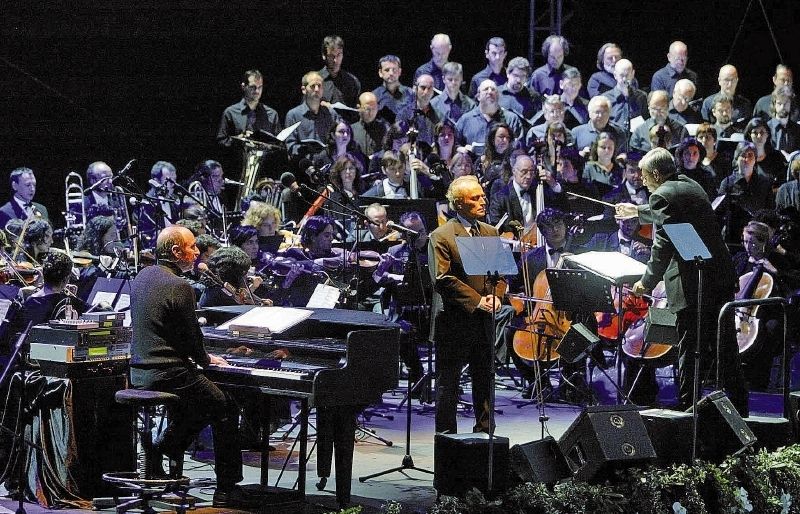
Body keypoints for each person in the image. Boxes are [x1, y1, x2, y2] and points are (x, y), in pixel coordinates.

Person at [617, 147, 748, 415]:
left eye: (643, 175)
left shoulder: (662, 196)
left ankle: (687, 409)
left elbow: (662, 245)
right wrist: (637, 211)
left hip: (694, 283)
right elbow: (672, 209)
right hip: (718, 277)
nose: (640, 180)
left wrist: (646, 282)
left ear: (654, 173)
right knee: (724, 347)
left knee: (690, 347)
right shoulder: (688, 184)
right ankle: (739, 407)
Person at [129, 226, 252, 508]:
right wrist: (209, 360)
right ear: (176, 252)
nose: (197, 252)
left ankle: (165, 446)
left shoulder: (142, 276)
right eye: (192, 247)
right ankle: (227, 488)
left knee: (200, 403)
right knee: (225, 406)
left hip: (140, 371)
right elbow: (191, 339)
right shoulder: (179, 286)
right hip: (170, 372)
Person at [428, 175, 508, 434]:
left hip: (483, 322)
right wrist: (478, 301)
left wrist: (496, 295)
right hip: (454, 322)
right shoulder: (441, 235)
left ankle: (485, 438)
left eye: (482, 195)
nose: (483, 201)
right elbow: (442, 278)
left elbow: (501, 273)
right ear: (459, 204)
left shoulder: (490, 231)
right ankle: (446, 440)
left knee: (485, 382)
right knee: (448, 385)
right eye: (475, 198)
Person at [216, 69, 282, 148]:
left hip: (264, 159)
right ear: (243, 87)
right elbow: (221, 142)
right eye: (252, 87)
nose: (257, 91)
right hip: (238, 159)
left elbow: (279, 145)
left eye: (260, 87)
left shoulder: (272, 114)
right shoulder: (230, 113)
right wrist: (238, 140)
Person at [455, 79, 523, 155]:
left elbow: (519, 147)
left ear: (498, 96)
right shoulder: (465, 120)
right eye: (486, 89)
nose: (490, 92)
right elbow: (455, 144)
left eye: (493, 89)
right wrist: (462, 149)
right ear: (478, 96)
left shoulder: (511, 119)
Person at [285, 71, 339, 160]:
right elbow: (291, 146)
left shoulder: (331, 114)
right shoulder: (293, 115)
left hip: (328, 165)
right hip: (304, 166)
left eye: (319, 86)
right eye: (313, 86)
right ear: (303, 89)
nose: (317, 89)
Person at [489, 153, 537, 232]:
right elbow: (495, 225)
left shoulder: (538, 191)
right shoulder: (500, 197)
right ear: (514, 171)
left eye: (531, 172)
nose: (528, 176)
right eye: (524, 172)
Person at [602, 59, 647, 129]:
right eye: (621, 75)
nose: (624, 79)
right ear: (615, 75)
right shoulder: (605, 98)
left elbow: (647, 121)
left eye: (627, 75)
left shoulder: (641, 97)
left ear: (633, 74)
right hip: (614, 138)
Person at [318, 35, 361, 108]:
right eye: (331, 56)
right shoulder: (315, 80)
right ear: (324, 56)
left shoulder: (352, 81)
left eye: (339, 55)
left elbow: (357, 109)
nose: (335, 60)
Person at [744, 117, 787, 187]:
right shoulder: (744, 156)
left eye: (762, 132)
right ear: (749, 135)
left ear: (767, 134)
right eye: (755, 133)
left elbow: (783, 183)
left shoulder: (777, 156)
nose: (759, 136)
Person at [399, 73, 439, 145]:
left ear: (433, 92)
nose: (426, 92)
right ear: (415, 89)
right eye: (423, 88)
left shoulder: (438, 116)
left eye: (430, 88)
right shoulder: (404, 115)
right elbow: (398, 140)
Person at [583, 131, 623, 196]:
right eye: (603, 147)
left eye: (610, 148)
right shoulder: (589, 168)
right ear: (596, 148)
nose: (606, 151)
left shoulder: (620, 169)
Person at [351, 92, 388, 161]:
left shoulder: (384, 129)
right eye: (367, 109)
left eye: (374, 108)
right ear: (359, 108)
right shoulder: (351, 130)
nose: (371, 113)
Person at [767, 85, 800, 154]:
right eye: (779, 103)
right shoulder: (766, 128)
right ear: (774, 104)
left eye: (786, 103)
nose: (782, 107)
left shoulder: (797, 129)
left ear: (791, 104)